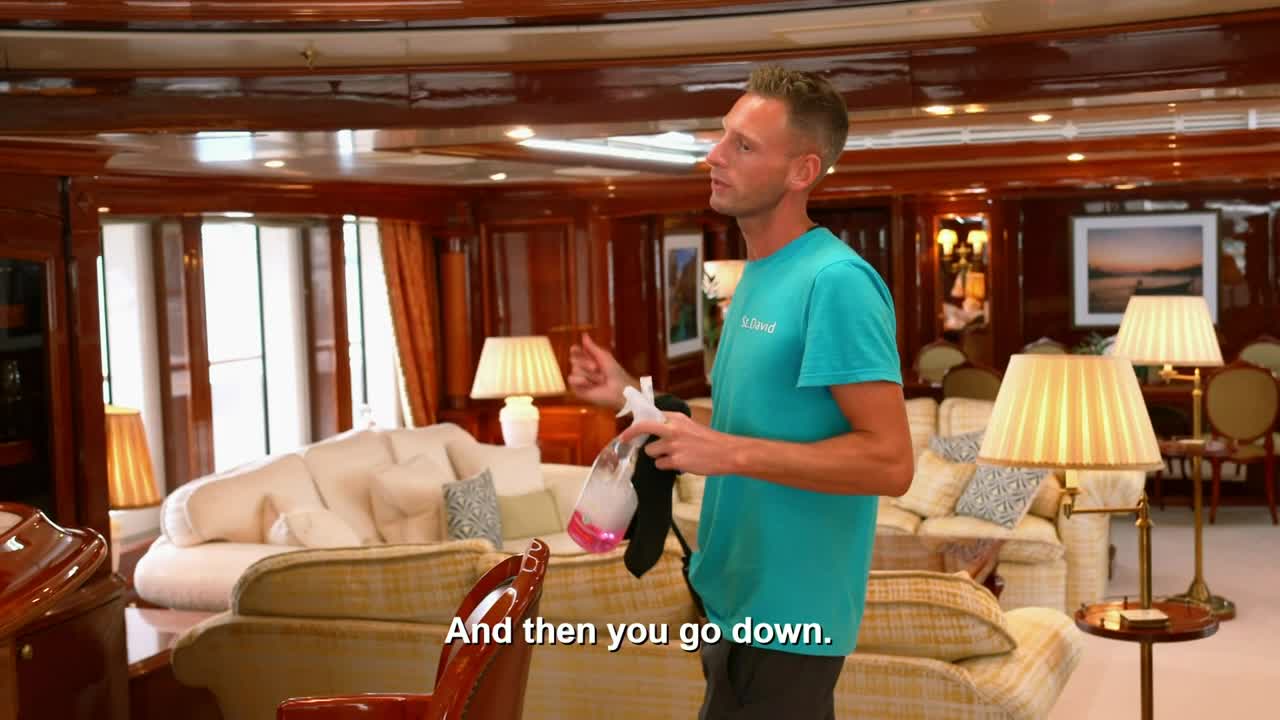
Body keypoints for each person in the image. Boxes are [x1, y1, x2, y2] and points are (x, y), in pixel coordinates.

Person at [568, 64, 913, 720]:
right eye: (722, 135)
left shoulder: (837, 282)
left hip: (793, 615)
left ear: (802, 171)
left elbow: (891, 462)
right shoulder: (758, 274)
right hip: (731, 598)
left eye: (743, 145)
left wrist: (727, 453)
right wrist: (629, 396)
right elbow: (749, 423)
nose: (713, 155)